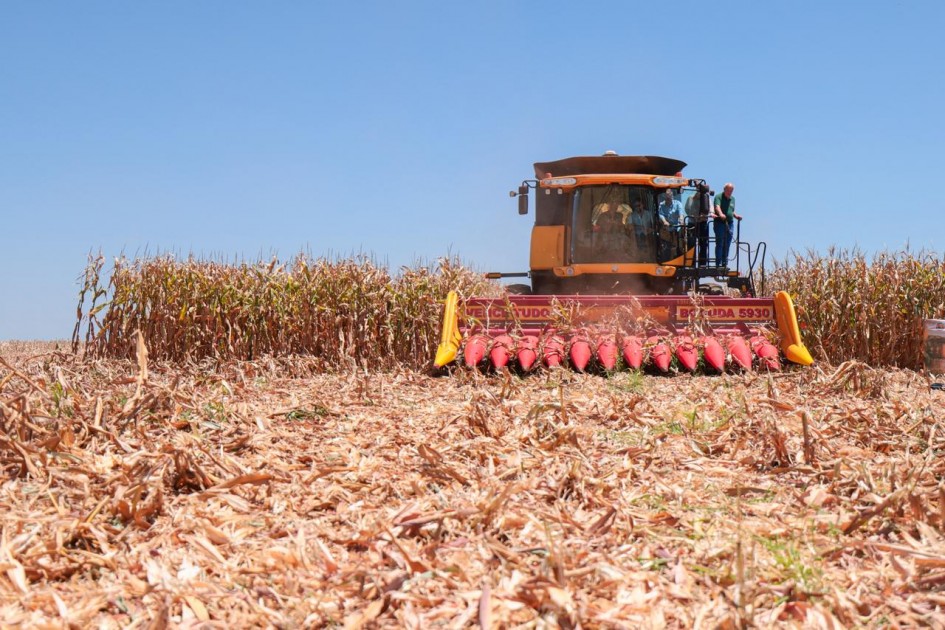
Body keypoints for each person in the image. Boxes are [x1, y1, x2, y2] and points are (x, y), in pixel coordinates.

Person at [712, 182, 742, 268]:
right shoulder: (718, 197)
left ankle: (724, 263)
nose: (730, 192)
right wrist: (721, 214)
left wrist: (736, 216)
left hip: (730, 223)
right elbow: (717, 207)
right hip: (720, 222)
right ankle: (718, 264)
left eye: (731, 190)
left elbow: (731, 210)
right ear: (724, 189)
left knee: (727, 243)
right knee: (720, 242)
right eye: (728, 190)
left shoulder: (733, 199)